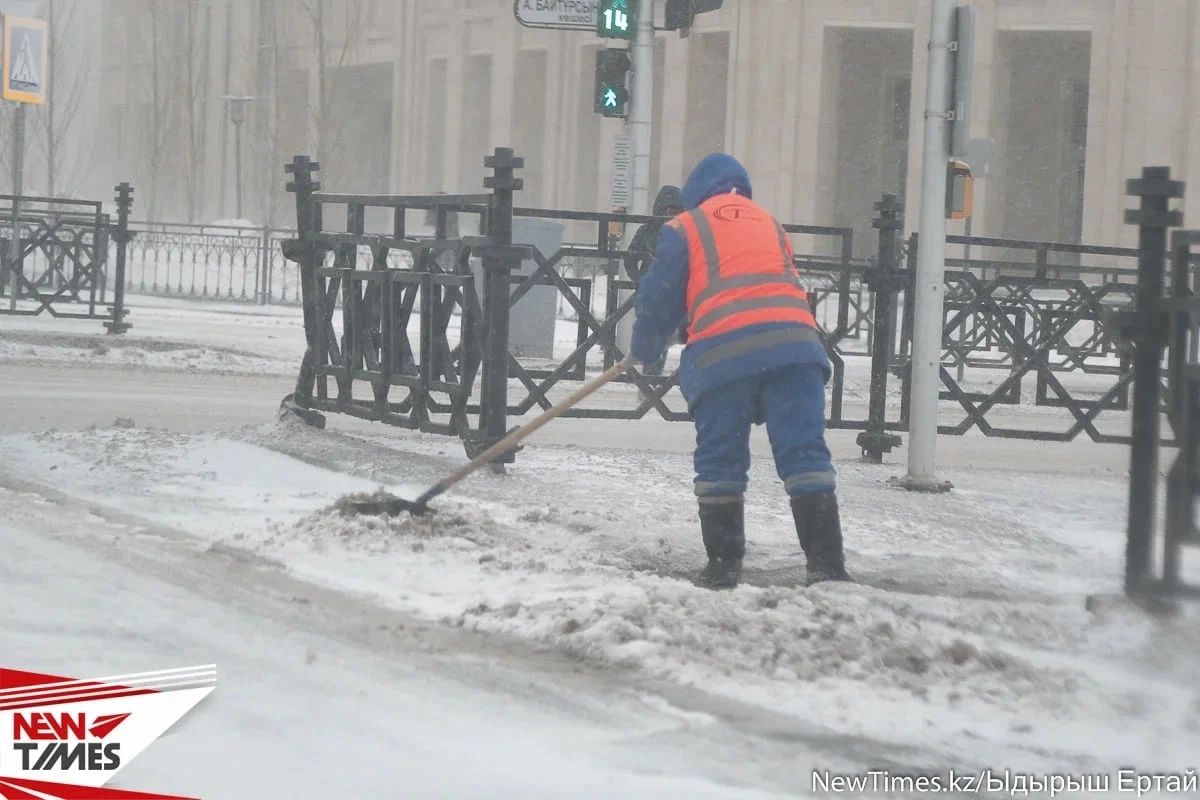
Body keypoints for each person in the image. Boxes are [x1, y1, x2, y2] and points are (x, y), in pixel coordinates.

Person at [629, 153, 851, 590]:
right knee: (805, 455)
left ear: (694, 195)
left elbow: (659, 300)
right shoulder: (770, 224)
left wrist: (646, 346)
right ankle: (827, 565)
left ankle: (724, 566)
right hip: (795, 350)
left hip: (723, 356)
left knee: (721, 461)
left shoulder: (683, 228)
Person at [625, 185, 684, 383]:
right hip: (649, 293)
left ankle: (651, 380)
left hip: (673, 294)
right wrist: (640, 282)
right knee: (650, 333)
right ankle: (647, 379)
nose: (672, 216)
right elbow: (630, 260)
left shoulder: (684, 232)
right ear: (660, 211)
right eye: (669, 212)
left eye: (678, 212)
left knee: (664, 335)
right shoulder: (647, 231)